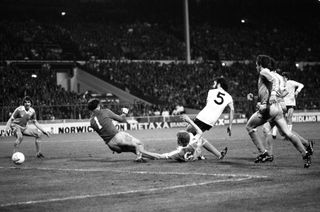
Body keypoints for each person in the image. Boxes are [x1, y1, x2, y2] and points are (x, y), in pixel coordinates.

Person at [246, 55, 313, 168]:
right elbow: (268, 91)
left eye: (256, 64)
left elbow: (275, 81)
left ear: (260, 64)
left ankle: (264, 153)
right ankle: (305, 154)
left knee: (249, 127)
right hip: (277, 108)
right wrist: (256, 97)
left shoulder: (263, 72)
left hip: (269, 109)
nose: (256, 66)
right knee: (287, 133)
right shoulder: (269, 74)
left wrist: (271, 96)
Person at [88, 98, 160, 162]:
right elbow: (121, 119)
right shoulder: (105, 111)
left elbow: (104, 127)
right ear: (98, 106)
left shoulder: (91, 122)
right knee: (139, 144)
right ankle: (139, 158)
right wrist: (124, 113)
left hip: (111, 145)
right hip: (117, 138)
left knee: (134, 149)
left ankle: (155, 157)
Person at [184, 77, 234, 159]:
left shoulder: (211, 91)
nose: (213, 84)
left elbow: (208, 105)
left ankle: (192, 155)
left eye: (215, 83)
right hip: (211, 122)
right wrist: (230, 125)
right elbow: (232, 110)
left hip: (203, 117)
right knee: (198, 136)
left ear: (219, 84)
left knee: (187, 134)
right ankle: (218, 155)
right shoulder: (229, 97)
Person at [159, 114, 228, 162]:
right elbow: (199, 132)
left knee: (200, 141)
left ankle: (216, 155)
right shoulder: (190, 135)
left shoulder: (190, 134)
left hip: (188, 147)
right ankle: (203, 156)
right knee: (199, 141)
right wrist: (189, 121)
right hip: (187, 147)